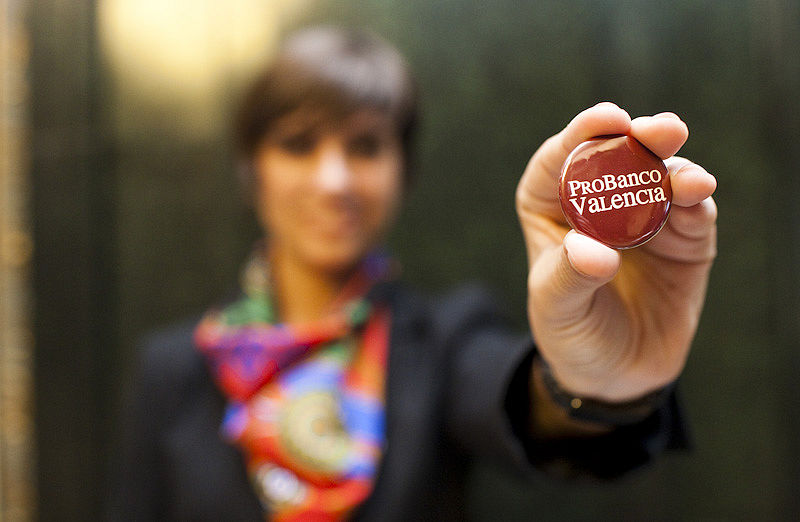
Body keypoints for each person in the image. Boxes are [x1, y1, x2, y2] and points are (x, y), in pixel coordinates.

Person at [106, 26, 717, 521]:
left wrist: (595, 385)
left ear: (404, 170)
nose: (333, 181)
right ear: (252, 171)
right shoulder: (173, 370)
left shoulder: (445, 341)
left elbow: (529, 405)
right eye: (298, 144)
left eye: (366, 147)